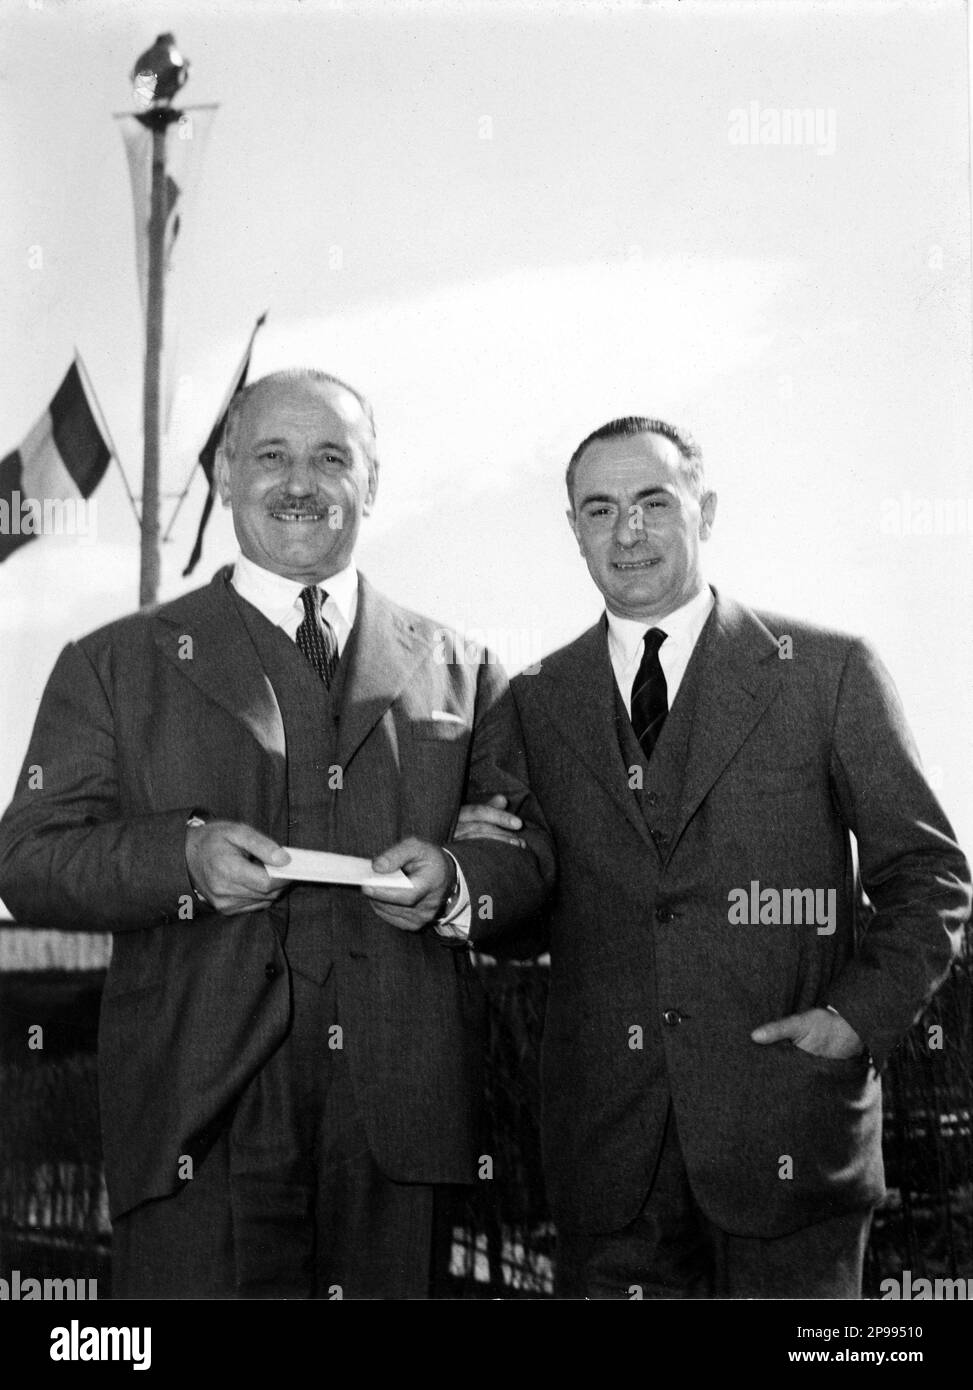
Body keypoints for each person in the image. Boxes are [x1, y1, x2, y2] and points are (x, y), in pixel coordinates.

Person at [0, 368, 554, 1300]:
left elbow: (530, 857)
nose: (301, 482)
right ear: (223, 472)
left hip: (400, 1125)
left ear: (370, 484)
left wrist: (459, 879)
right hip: (198, 1118)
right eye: (271, 456)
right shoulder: (112, 662)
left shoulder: (462, 666)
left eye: (331, 458)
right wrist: (180, 856)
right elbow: (27, 860)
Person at [456, 416, 971, 1299]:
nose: (629, 531)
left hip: (791, 1140)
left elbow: (929, 878)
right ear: (573, 529)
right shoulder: (531, 702)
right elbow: (524, 915)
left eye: (654, 502)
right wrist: (474, 873)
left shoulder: (827, 672)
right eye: (600, 508)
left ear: (706, 510)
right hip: (609, 1159)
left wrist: (853, 1017)